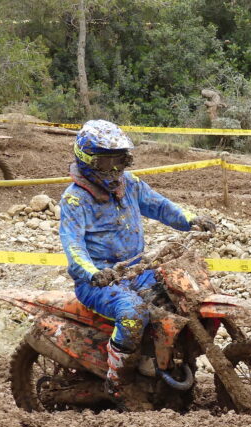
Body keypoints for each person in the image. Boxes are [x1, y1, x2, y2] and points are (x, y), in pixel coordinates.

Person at [59, 120, 216, 404]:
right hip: (98, 282)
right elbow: (73, 245)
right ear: (88, 161)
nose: (115, 169)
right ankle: (119, 383)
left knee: (181, 294)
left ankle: (166, 363)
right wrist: (94, 273)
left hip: (138, 271)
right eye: (106, 163)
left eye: (120, 160)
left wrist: (190, 220)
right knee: (133, 314)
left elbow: (159, 206)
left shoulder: (129, 184)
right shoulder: (75, 199)